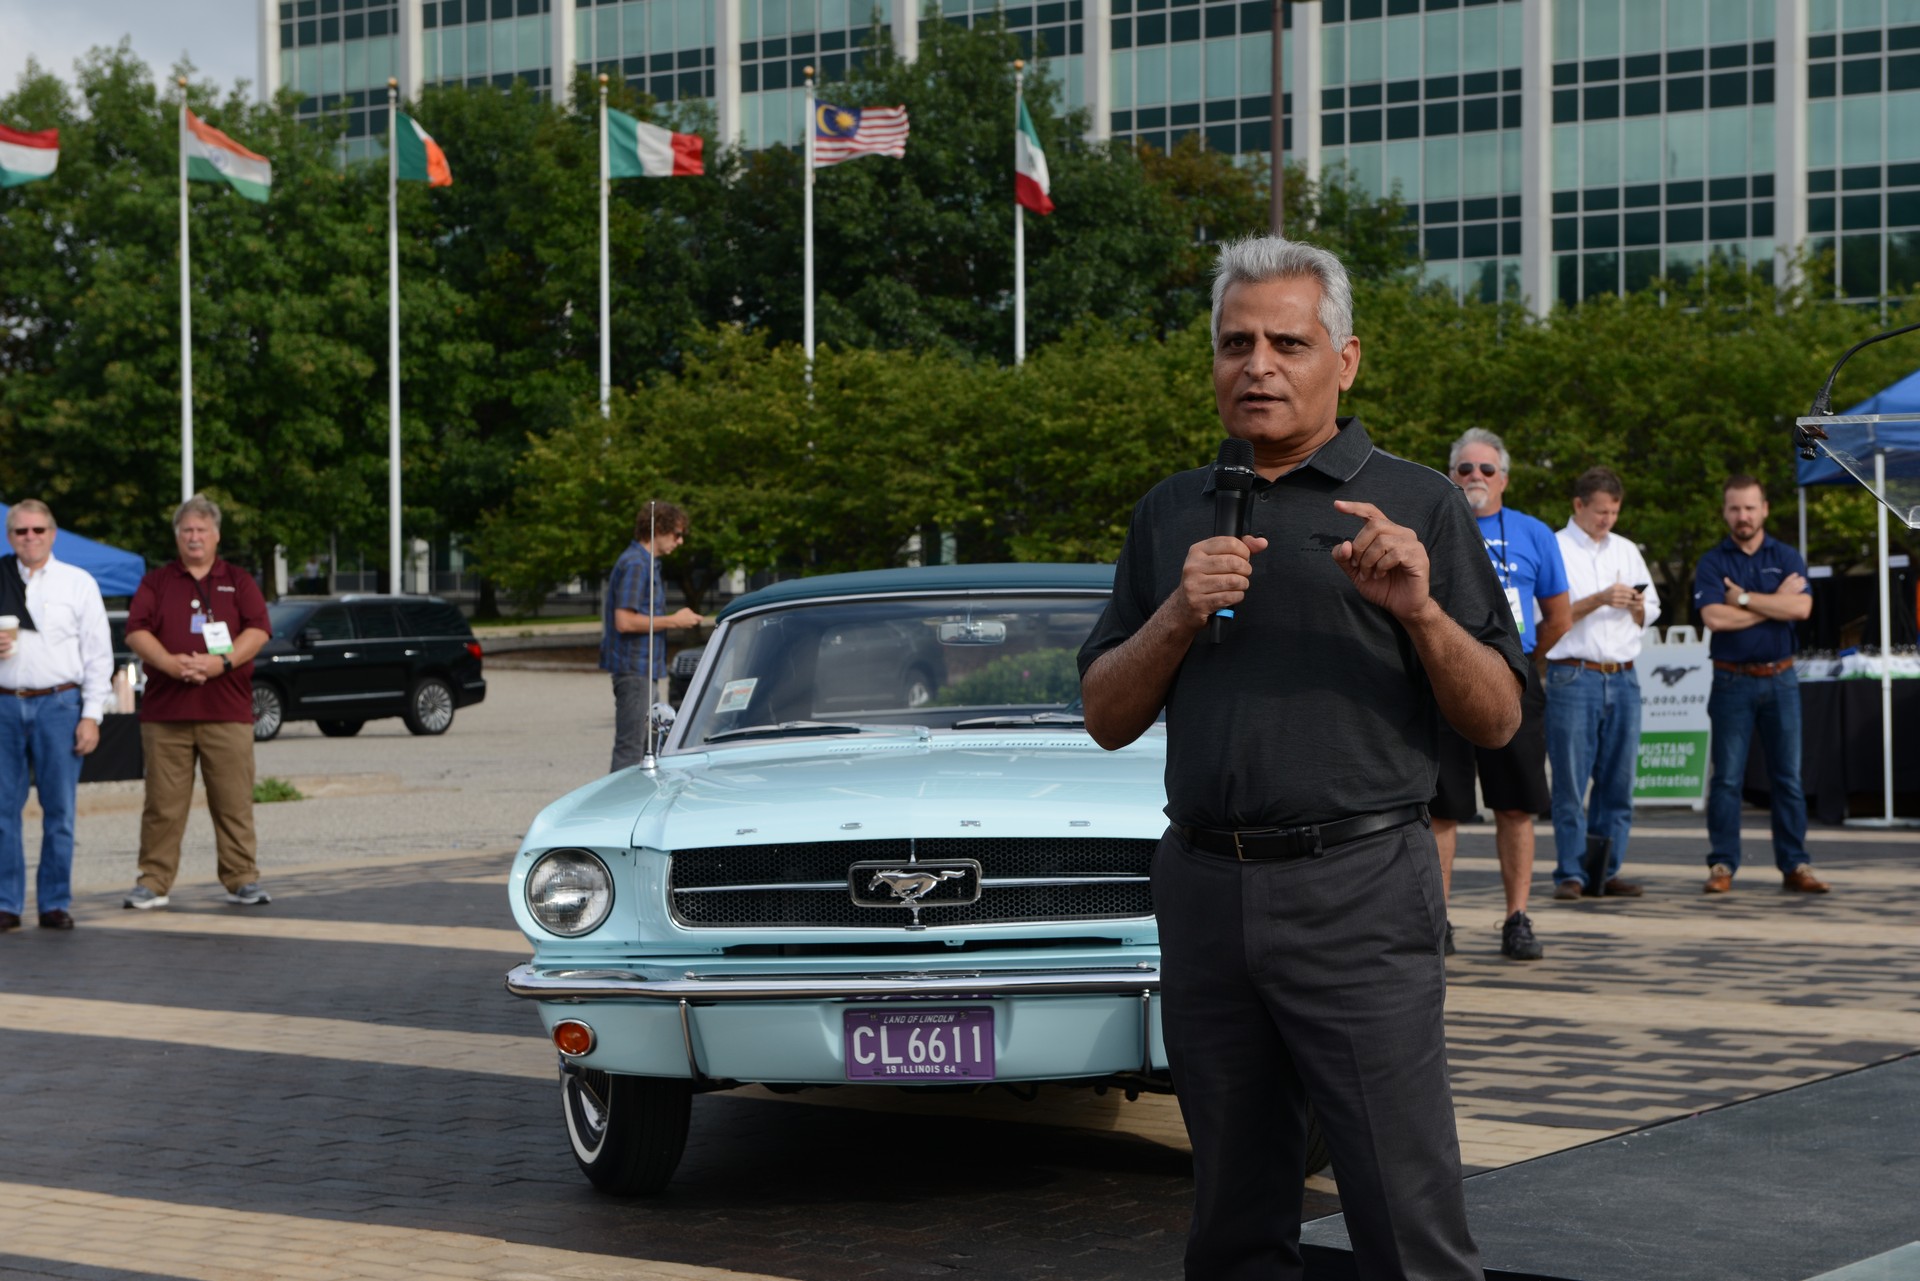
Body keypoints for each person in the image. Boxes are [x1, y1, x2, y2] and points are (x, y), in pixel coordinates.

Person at [1079, 236, 1526, 1281]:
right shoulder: (1172, 512)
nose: (1259, 365)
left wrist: (1420, 612)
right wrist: (1178, 615)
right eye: (1237, 343)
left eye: (1288, 341)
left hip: (1358, 891)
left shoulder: (1415, 506)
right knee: (1232, 1216)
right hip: (1201, 888)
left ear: (1347, 359)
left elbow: (1499, 717)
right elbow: (1104, 713)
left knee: (1404, 1211)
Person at [1430, 427, 1570, 961]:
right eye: (1465, 469)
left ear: (1504, 477)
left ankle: (1516, 918)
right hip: (1446, 678)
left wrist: (1524, 660)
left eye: (1486, 469)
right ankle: (1438, 922)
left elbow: (1558, 616)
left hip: (1513, 681)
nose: (1475, 478)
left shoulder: (1535, 534)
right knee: (1442, 810)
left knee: (1516, 806)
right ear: (1451, 476)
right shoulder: (1434, 527)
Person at [122, 495, 273, 910]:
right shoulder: (157, 582)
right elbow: (136, 631)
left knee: (233, 802)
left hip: (226, 712)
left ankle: (242, 878)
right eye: (187, 530)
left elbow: (258, 631)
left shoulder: (238, 580)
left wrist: (218, 664)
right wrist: (170, 664)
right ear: (177, 536)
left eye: (201, 530)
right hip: (166, 715)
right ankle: (153, 882)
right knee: (162, 806)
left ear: (216, 536)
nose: (194, 537)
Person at [1694, 476, 1826, 894]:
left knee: (1787, 777)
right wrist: (1774, 605)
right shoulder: (1713, 562)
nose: (1742, 516)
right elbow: (1714, 618)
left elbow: (1802, 607)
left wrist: (1745, 600)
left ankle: (1795, 865)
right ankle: (1722, 865)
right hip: (1731, 679)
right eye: (1734, 508)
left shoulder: (1788, 556)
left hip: (1781, 677)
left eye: (1750, 508)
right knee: (1728, 778)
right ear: (1724, 512)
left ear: (1765, 509)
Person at [1543, 467, 1660, 898]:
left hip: (1624, 676)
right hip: (1574, 673)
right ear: (1578, 506)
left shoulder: (1627, 550)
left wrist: (1634, 606)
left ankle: (1605, 871)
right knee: (1572, 782)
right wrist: (1598, 600)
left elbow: (1653, 611)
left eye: (1613, 512)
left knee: (1619, 783)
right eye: (1600, 512)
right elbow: (1547, 619)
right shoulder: (1553, 548)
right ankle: (1571, 874)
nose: (1607, 520)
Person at [0, 500, 113, 931]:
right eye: (21, 531)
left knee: (60, 811)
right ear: (10, 537)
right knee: (2, 812)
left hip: (59, 704)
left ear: (53, 533)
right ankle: (7, 904)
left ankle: (54, 902)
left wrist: (92, 715)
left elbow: (98, 655)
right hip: (4, 704)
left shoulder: (77, 582)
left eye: (38, 530)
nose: (30, 538)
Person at [603, 501, 707, 772]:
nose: (680, 541)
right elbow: (624, 621)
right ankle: (619, 809)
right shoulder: (636, 564)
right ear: (657, 529)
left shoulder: (646, 564)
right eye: (677, 534)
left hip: (643, 668)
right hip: (634, 668)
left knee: (649, 747)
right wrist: (674, 620)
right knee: (632, 748)